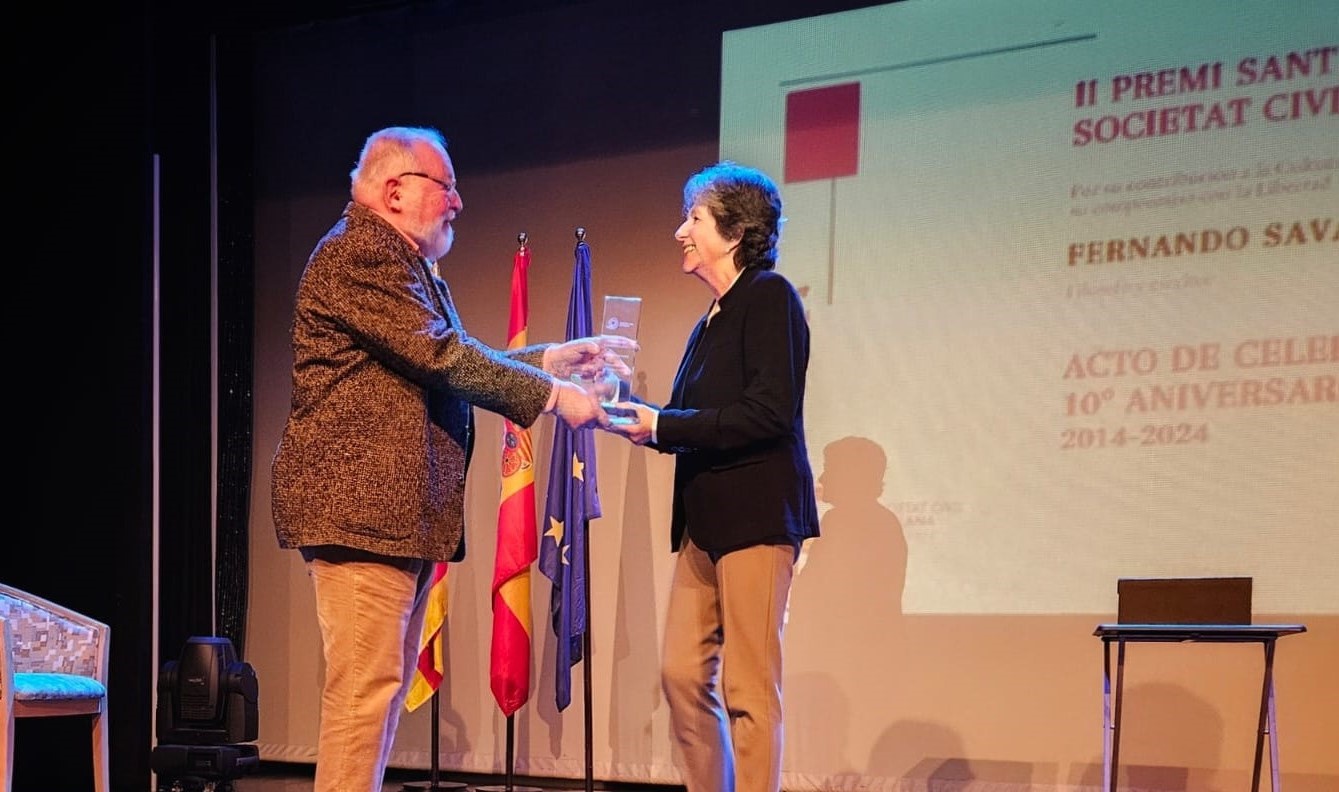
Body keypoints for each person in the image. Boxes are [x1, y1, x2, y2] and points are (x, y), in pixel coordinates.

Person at [270, 125, 627, 792]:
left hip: (389, 519)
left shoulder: (399, 260)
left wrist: (549, 359)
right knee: (363, 697)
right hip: (360, 515)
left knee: (377, 695)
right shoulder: (360, 253)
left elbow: (443, 353)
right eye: (446, 186)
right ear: (394, 191)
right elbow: (442, 357)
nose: (458, 202)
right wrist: (555, 397)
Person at [607, 161, 819, 792]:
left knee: (749, 688)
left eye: (694, 218)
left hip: (756, 516)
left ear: (733, 232)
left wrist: (665, 425)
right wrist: (624, 406)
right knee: (680, 675)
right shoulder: (711, 319)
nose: (681, 231)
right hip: (705, 525)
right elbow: (689, 419)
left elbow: (769, 411)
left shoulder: (770, 296)